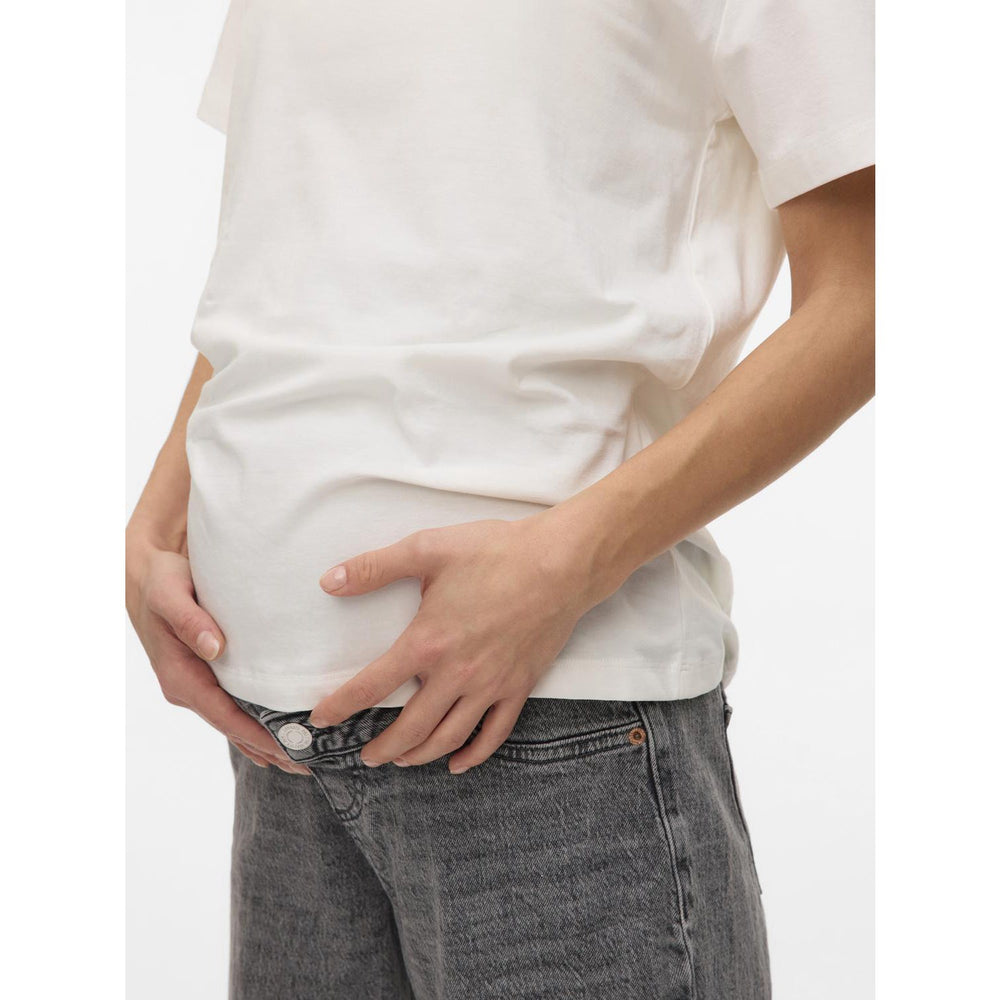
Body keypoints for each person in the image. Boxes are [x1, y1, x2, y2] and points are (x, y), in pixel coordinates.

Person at [126, 1, 874, 996]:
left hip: (555, 721)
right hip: (276, 744)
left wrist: (563, 566)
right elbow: (298, 233)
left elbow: (875, 289)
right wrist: (160, 515)